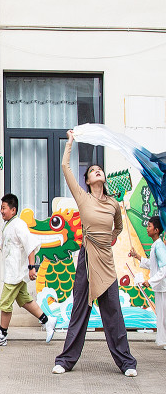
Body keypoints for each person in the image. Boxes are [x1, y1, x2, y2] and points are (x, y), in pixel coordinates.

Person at [53, 131, 138, 376]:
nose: (98, 171)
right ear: (88, 180)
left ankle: (127, 363)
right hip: (87, 258)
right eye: (93, 170)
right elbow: (64, 166)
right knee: (80, 309)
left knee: (113, 312)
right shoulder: (83, 197)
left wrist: (110, 239)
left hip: (106, 260)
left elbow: (119, 227)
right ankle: (65, 360)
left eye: (100, 169)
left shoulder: (112, 203)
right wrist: (70, 141)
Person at [0, 193, 57, 346]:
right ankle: (47, 321)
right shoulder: (7, 225)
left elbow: (30, 246)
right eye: (1, 208)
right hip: (13, 271)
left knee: (5, 302)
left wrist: (31, 268)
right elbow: (5, 246)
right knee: (24, 300)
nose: (1, 211)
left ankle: (2, 335)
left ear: (13, 210)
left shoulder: (19, 224)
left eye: (4, 208)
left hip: (16, 272)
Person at [131, 216, 166, 348]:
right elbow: (152, 265)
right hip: (160, 287)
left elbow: (164, 268)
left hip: (163, 287)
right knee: (162, 316)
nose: (147, 228)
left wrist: (150, 281)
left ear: (156, 230)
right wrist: (137, 256)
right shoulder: (156, 245)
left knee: (164, 317)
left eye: (149, 226)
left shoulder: (160, 247)